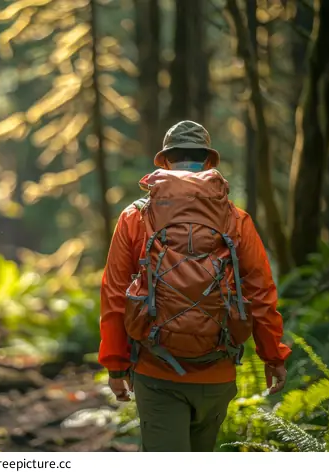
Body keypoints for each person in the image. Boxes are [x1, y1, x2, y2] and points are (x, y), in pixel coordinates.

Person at [98, 120, 291, 452]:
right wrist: (272, 355)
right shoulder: (236, 219)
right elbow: (260, 292)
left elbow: (115, 292)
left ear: (166, 161)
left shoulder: (136, 216)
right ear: (208, 162)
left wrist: (116, 364)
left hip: (155, 370)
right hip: (216, 371)